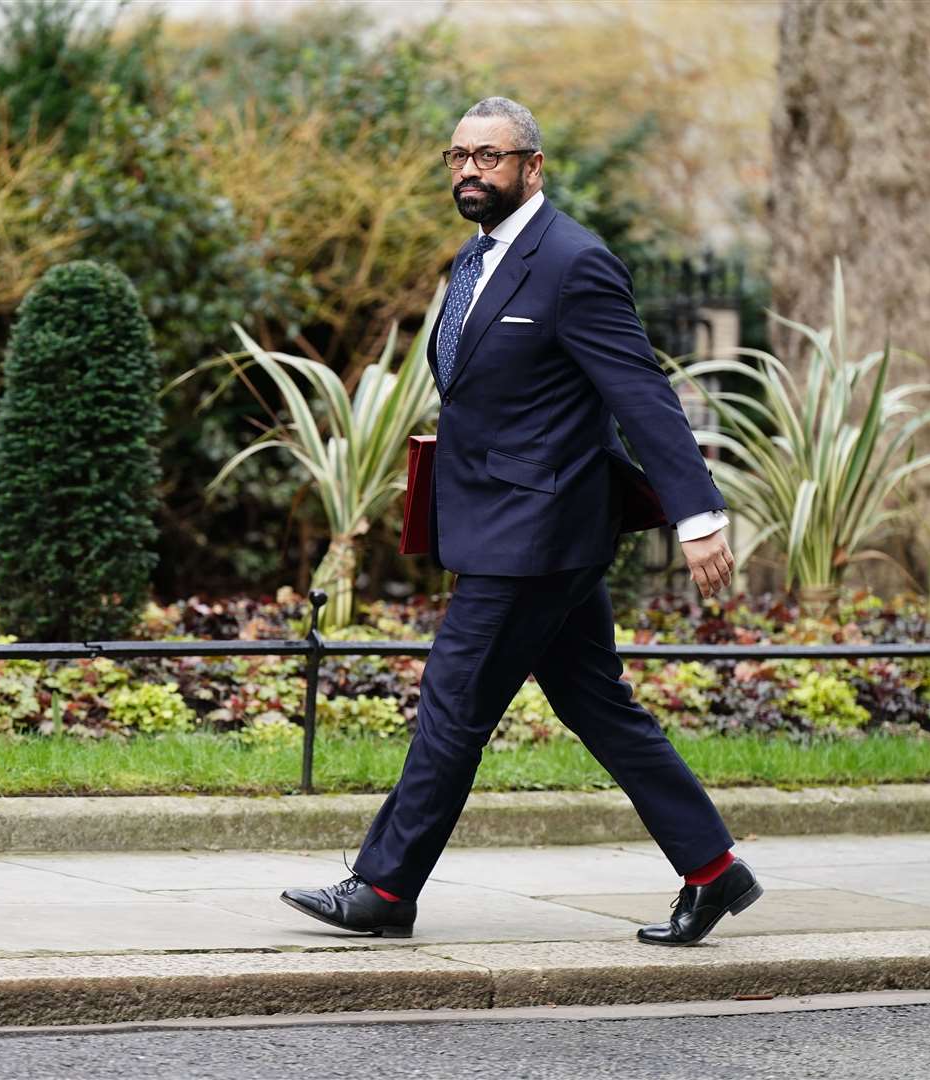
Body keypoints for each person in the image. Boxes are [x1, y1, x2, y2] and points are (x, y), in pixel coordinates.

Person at [280, 97, 761, 947]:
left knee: (452, 705)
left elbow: (641, 392)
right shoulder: (476, 260)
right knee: (599, 706)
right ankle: (714, 870)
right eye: (458, 156)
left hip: (535, 535)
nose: (470, 170)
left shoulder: (574, 262)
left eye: (491, 157)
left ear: (532, 168)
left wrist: (696, 515)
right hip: (515, 525)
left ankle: (386, 890)